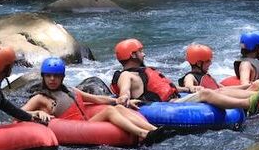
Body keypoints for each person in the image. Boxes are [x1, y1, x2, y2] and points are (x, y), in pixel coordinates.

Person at [110, 39, 259, 116]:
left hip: (173, 99)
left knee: (207, 90)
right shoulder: (126, 75)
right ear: (132, 54)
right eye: (140, 51)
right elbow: (124, 92)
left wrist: (188, 89)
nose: (144, 54)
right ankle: (249, 103)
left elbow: (166, 88)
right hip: (165, 107)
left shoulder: (141, 72)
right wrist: (124, 98)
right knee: (206, 94)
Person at [21, 57, 157, 140]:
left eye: (56, 76)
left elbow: (96, 99)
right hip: (75, 128)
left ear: (62, 77)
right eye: (48, 76)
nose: (52, 79)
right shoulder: (40, 98)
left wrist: (118, 100)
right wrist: (38, 112)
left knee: (119, 107)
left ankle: (154, 130)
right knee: (109, 111)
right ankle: (143, 134)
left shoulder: (70, 90)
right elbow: (18, 113)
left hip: (86, 122)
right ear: (43, 77)